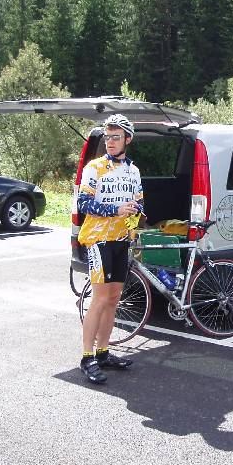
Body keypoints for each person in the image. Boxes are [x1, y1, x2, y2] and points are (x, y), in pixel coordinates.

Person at [76, 114, 144, 384]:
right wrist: (115, 209)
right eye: (107, 137)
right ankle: (86, 357)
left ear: (128, 139)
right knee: (100, 298)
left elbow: (139, 203)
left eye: (116, 137)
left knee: (114, 298)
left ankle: (103, 352)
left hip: (120, 240)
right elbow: (84, 203)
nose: (110, 142)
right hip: (98, 239)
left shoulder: (133, 171)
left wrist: (132, 222)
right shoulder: (95, 167)